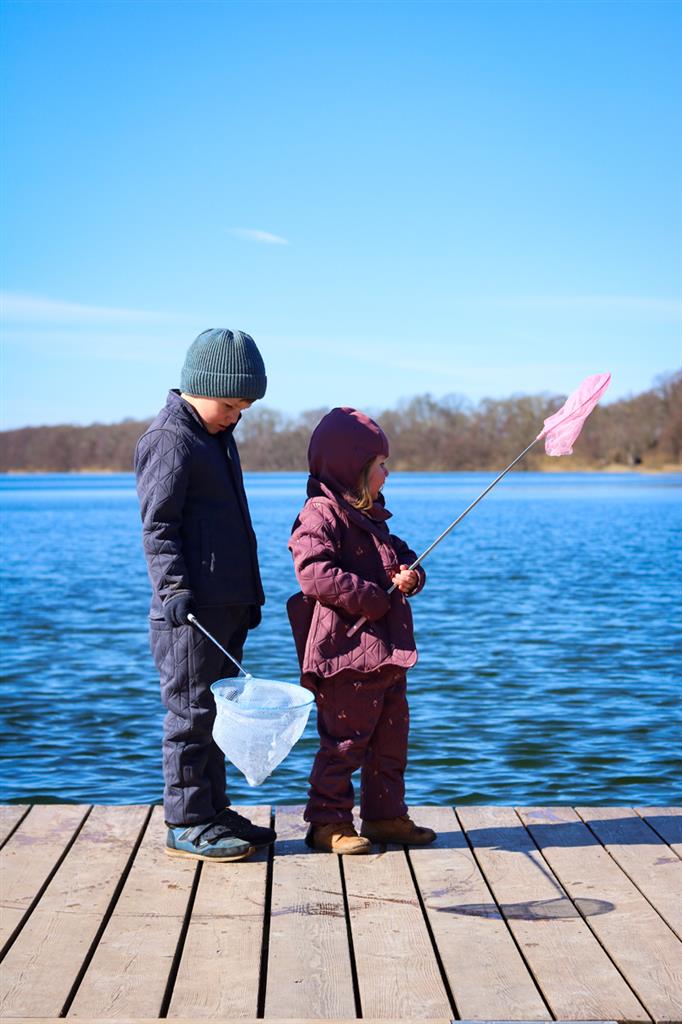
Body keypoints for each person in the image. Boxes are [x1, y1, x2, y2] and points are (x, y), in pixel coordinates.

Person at [135, 328, 276, 861]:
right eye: (230, 404)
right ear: (199, 386)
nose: (236, 415)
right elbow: (159, 526)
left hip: (226, 605)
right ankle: (187, 821)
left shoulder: (214, 435)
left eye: (244, 407)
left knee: (221, 715)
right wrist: (173, 589)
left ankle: (214, 810)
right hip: (188, 613)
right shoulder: (170, 440)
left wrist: (248, 597)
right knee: (192, 714)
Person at [287, 407, 437, 854]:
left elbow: (404, 556)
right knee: (345, 742)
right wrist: (371, 596)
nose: (387, 475)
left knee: (390, 738)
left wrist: (411, 575)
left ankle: (385, 816)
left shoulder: (373, 517)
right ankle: (327, 823)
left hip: (386, 655)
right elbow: (312, 572)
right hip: (343, 654)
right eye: (380, 466)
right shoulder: (320, 514)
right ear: (353, 469)